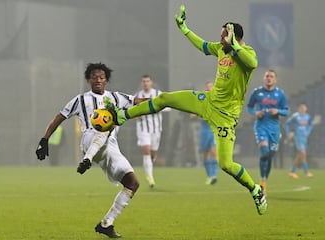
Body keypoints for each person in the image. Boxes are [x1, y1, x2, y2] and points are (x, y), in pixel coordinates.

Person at [106, 5, 267, 215]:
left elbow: (253, 63)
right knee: (164, 98)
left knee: (226, 165)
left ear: (234, 38)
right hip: (207, 102)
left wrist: (234, 45)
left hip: (225, 118)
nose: (220, 41)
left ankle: (255, 190)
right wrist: (184, 28)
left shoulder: (246, 53)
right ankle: (122, 115)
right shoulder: (221, 49)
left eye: (223, 37)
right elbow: (202, 46)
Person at [35, 62, 147, 238]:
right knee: (104, 126)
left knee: (133, 183)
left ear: (106, 80)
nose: (98, 80)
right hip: (88, 139)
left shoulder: (117, 97)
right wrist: (44, 139)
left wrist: (164, 101)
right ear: (88, 80)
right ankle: (86, 158)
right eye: (94, 77)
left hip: (110, 146)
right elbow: (59, 117)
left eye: (101, 77)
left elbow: (140, 102)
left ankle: (106, 224)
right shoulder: (80, 100)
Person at [247, 69, 289, 195]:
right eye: (267, 76)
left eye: (271, 76)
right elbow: (249, 106)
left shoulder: (280, 94)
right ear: (264, 79)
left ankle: (265, 179)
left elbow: (286, 111)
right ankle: (262, 181)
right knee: (264, 151)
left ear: (275, 79)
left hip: (274, 129)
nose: (269, 78)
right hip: (261, 127)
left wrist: (278, 111)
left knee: (270, 155)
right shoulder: (257, 92)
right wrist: (255, 113)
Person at [135, 74, 169, 188]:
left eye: (147, 81)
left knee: (153, 153)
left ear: (151, 82)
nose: (145, 83)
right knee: (147, 150)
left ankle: (150, 168)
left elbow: (167, 105)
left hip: (156, 129)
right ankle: (150, 178)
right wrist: (137, 115)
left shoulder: (158, 94)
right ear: (141, 83)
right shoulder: (138, 96)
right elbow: (131, 108)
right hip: (143, 128)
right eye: (144, 81)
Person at [193, 81, 219, 185]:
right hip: (204, 131)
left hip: (213, 130)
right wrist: (195, 115)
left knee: (214, 152)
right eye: (207, 88)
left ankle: (214, 176)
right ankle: (209, 176)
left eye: (210, 87)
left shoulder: (217, 101)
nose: (209, 89)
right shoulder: (202, 101)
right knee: (205, 155)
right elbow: (195, 111)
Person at [285, 103, 313, 178]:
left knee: (300, 154)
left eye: (304, 107)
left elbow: (310, 125)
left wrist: (308, 132)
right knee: (303, 153)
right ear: (299, 108)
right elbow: (287, 124)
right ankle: (306, 171)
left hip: (304, 137)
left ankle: (292, 171)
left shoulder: (308, 117)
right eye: (301, 107)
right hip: (297, 136)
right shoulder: (295, 116)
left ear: (306, 108)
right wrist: (288, 134)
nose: (302, 109)